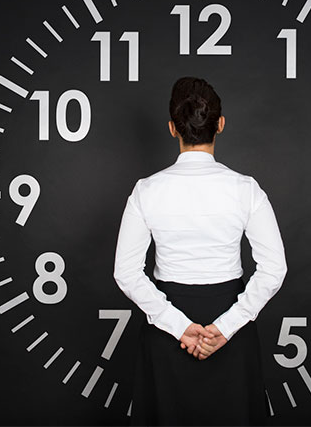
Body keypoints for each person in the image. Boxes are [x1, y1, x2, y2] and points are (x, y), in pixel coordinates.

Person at [113, 76, 288, 426]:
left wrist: (179, 327)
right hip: (230, 325)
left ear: (172, 128)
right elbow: (274, 269)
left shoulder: (146, 191)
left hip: (167, 328)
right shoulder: (246, 190)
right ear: (220, 125)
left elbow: (126, 273)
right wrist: (224, 328)